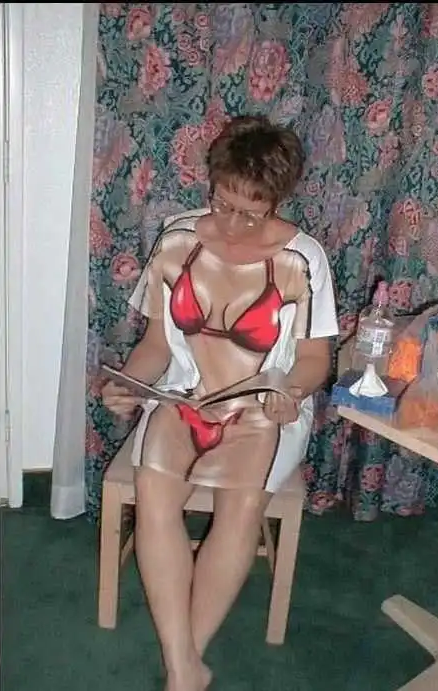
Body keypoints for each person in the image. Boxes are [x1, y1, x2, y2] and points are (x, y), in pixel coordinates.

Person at [101, 115, 338, 691]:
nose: (231, 222)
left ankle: (185, 665)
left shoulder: (304, 258)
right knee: (156, 495)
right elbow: (156, 346)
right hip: (183, 394)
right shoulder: (177, 239)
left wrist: (291, 392)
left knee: (241, 506)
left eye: (250, 212)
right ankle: (183, 664)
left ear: (277, 202)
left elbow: (314, 360)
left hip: (267, 407)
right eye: (222, 203)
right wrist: (129, 384)